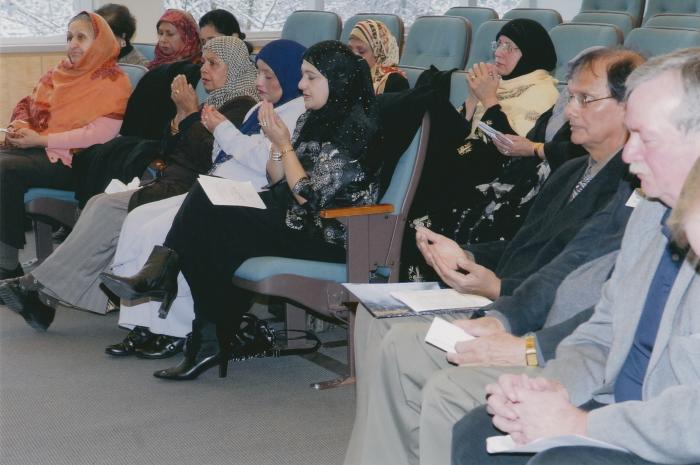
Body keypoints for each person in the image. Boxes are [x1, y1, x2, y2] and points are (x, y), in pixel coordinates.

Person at [343, 47, 644, 465]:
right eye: (568, 97)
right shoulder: (572, 171)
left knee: (416, 357)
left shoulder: (630, 188)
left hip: (538, 322)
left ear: (630, 108)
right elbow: (522, 246)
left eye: (584, 99)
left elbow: (578, 285)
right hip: (514, 302)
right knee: (379, 321)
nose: (569, 110)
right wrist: (466, 254)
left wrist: (498, 291)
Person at [451, 47, 700, 465]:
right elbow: (601, 331)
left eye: (646, 138)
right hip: (626, 409)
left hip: (672, 431)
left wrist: (579, 426)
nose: (627, 154)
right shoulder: (650, 213)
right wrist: (552, 390)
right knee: (479, 431)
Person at [100, 40, 380, 381]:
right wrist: (279, 145)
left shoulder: (355, 127)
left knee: (213, 227)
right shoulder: (312, 117)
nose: (301, 85)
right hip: (289, 214)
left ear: (335, 80)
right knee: (207, 197)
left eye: (311, 77)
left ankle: (180, 296)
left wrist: (284, 145)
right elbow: (277, 177)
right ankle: (196, 322)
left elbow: (308, 195)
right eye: (303, 76)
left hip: (326, 232)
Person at [0, 36, 258, 330]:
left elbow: (213, 157)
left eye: (214, 64)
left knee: (108, 209)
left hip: (195, 192)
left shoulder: (243, 107)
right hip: (173, 181)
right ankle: (43, 294)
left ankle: (39, 288)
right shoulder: (216, 102)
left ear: (234, 68)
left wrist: (188, 116)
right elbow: (170, 149)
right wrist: (181, 119)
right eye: (204, 63)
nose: (204, 70)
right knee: (101, 204)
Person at [105, 39, 307, 359]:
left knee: (165, 231)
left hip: (248, 196)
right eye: (259, 75)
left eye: (269, 76)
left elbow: (264, 165)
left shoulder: (297, 113)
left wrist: (224, 130)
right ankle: (140, 324)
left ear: (288, 75)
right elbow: (224, 153)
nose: (260, 83)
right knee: (139, 220)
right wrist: (220, 134)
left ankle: (173, 328)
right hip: (217, 184)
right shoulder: (261, 107)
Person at [401, 18, 559, 279]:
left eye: (511, 47)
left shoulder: (542, 93)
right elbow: (464, 133)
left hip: (499, 185)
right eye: (499, 43)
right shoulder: (500, 84)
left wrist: (489, 98)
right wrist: (475, 98)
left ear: (531, 53)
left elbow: (512, 152)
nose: (498, 52)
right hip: (470, 169)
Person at [0, 11, 131, 280]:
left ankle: (7, 266)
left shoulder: (113, 81)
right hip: (39, 151)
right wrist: (20, 129)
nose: (72, 43)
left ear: (100, 42)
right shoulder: (58, 74)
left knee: (5, 170)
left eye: (81, 37)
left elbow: (100, 135)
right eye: (69, 36)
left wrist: (42, 139)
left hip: (74, 163)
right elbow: (29, 107)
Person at [348, 19, 408, 94]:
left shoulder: (394, 82)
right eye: (349, 51)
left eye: (361, 52)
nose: (353, 56)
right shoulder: (345, 76)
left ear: (379, 54)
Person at [95, 3, 149, 67]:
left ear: (123, 36)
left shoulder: (140, 67)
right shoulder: (95, 56)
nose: (97, 39)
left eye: (104, 35)